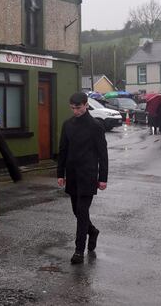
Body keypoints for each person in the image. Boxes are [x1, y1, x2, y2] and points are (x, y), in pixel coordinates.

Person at [57, 92, 109, 264]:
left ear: (86, 105)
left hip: (88, 175)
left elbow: (103, 154)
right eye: (72, 108)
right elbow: (63, 150)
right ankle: (92, 231)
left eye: (78, 108)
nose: (75, 111)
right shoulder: (67, 125)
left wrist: (103, 178)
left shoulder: (95, 126)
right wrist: (60, 174)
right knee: (77, 211)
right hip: (72, 174)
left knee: (81, 210)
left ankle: (79, 250)